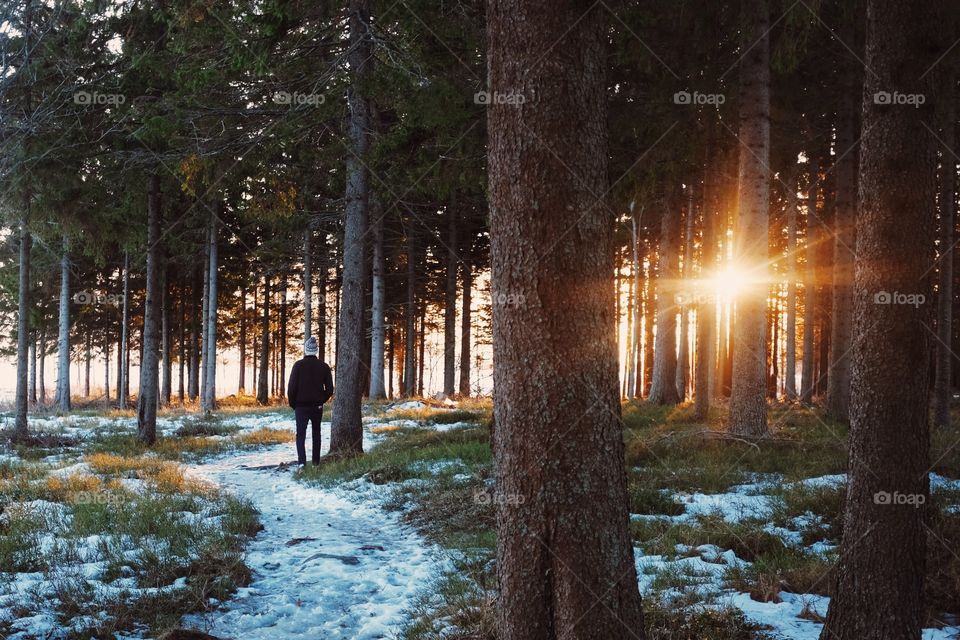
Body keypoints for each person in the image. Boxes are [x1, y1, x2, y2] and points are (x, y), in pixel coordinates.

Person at [287, 336, 334, 465]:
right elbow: (330, 389)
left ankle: (302, 463)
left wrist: (293, 404)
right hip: (316, 406)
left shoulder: (298, 365)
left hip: (300, 407)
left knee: (300, 435)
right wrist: (321, 400)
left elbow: (291, 388)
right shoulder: (324, 366)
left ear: (306, 350)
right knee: (316, 434)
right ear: (316, 350)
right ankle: (315, 463)